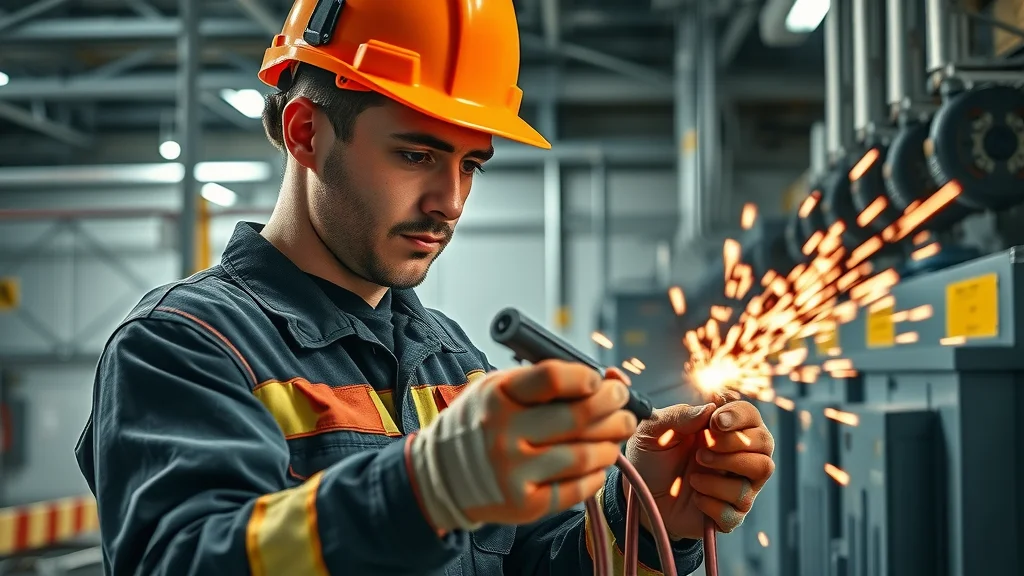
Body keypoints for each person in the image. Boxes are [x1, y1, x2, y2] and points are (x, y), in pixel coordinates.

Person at [74, 1, 776, 574]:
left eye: (471, 164)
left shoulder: (451, 361)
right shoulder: (183, 346)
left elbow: (532, 563)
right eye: (417, 154)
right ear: (305, 133)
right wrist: (422, 492)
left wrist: (643, 519)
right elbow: (187, 562)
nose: (451, 201)